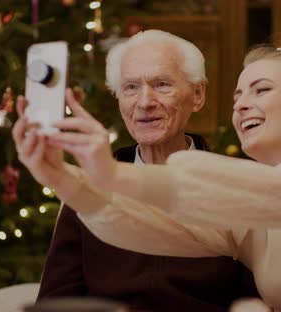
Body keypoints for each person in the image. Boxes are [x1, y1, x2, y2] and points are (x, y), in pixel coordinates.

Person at [19, 32, 281, 311]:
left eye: (261, 90)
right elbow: (149, 227)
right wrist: (63, 178)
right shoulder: (250, 218)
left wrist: (111, 174)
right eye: (238, 94)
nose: (242, 104)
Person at [14, 30, 258, 311]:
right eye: (130, 87)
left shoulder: (236, 184)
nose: (144, 102)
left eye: (162, 84)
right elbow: (55, 301)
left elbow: (259, 299)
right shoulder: (87, 187)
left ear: (198, 94)